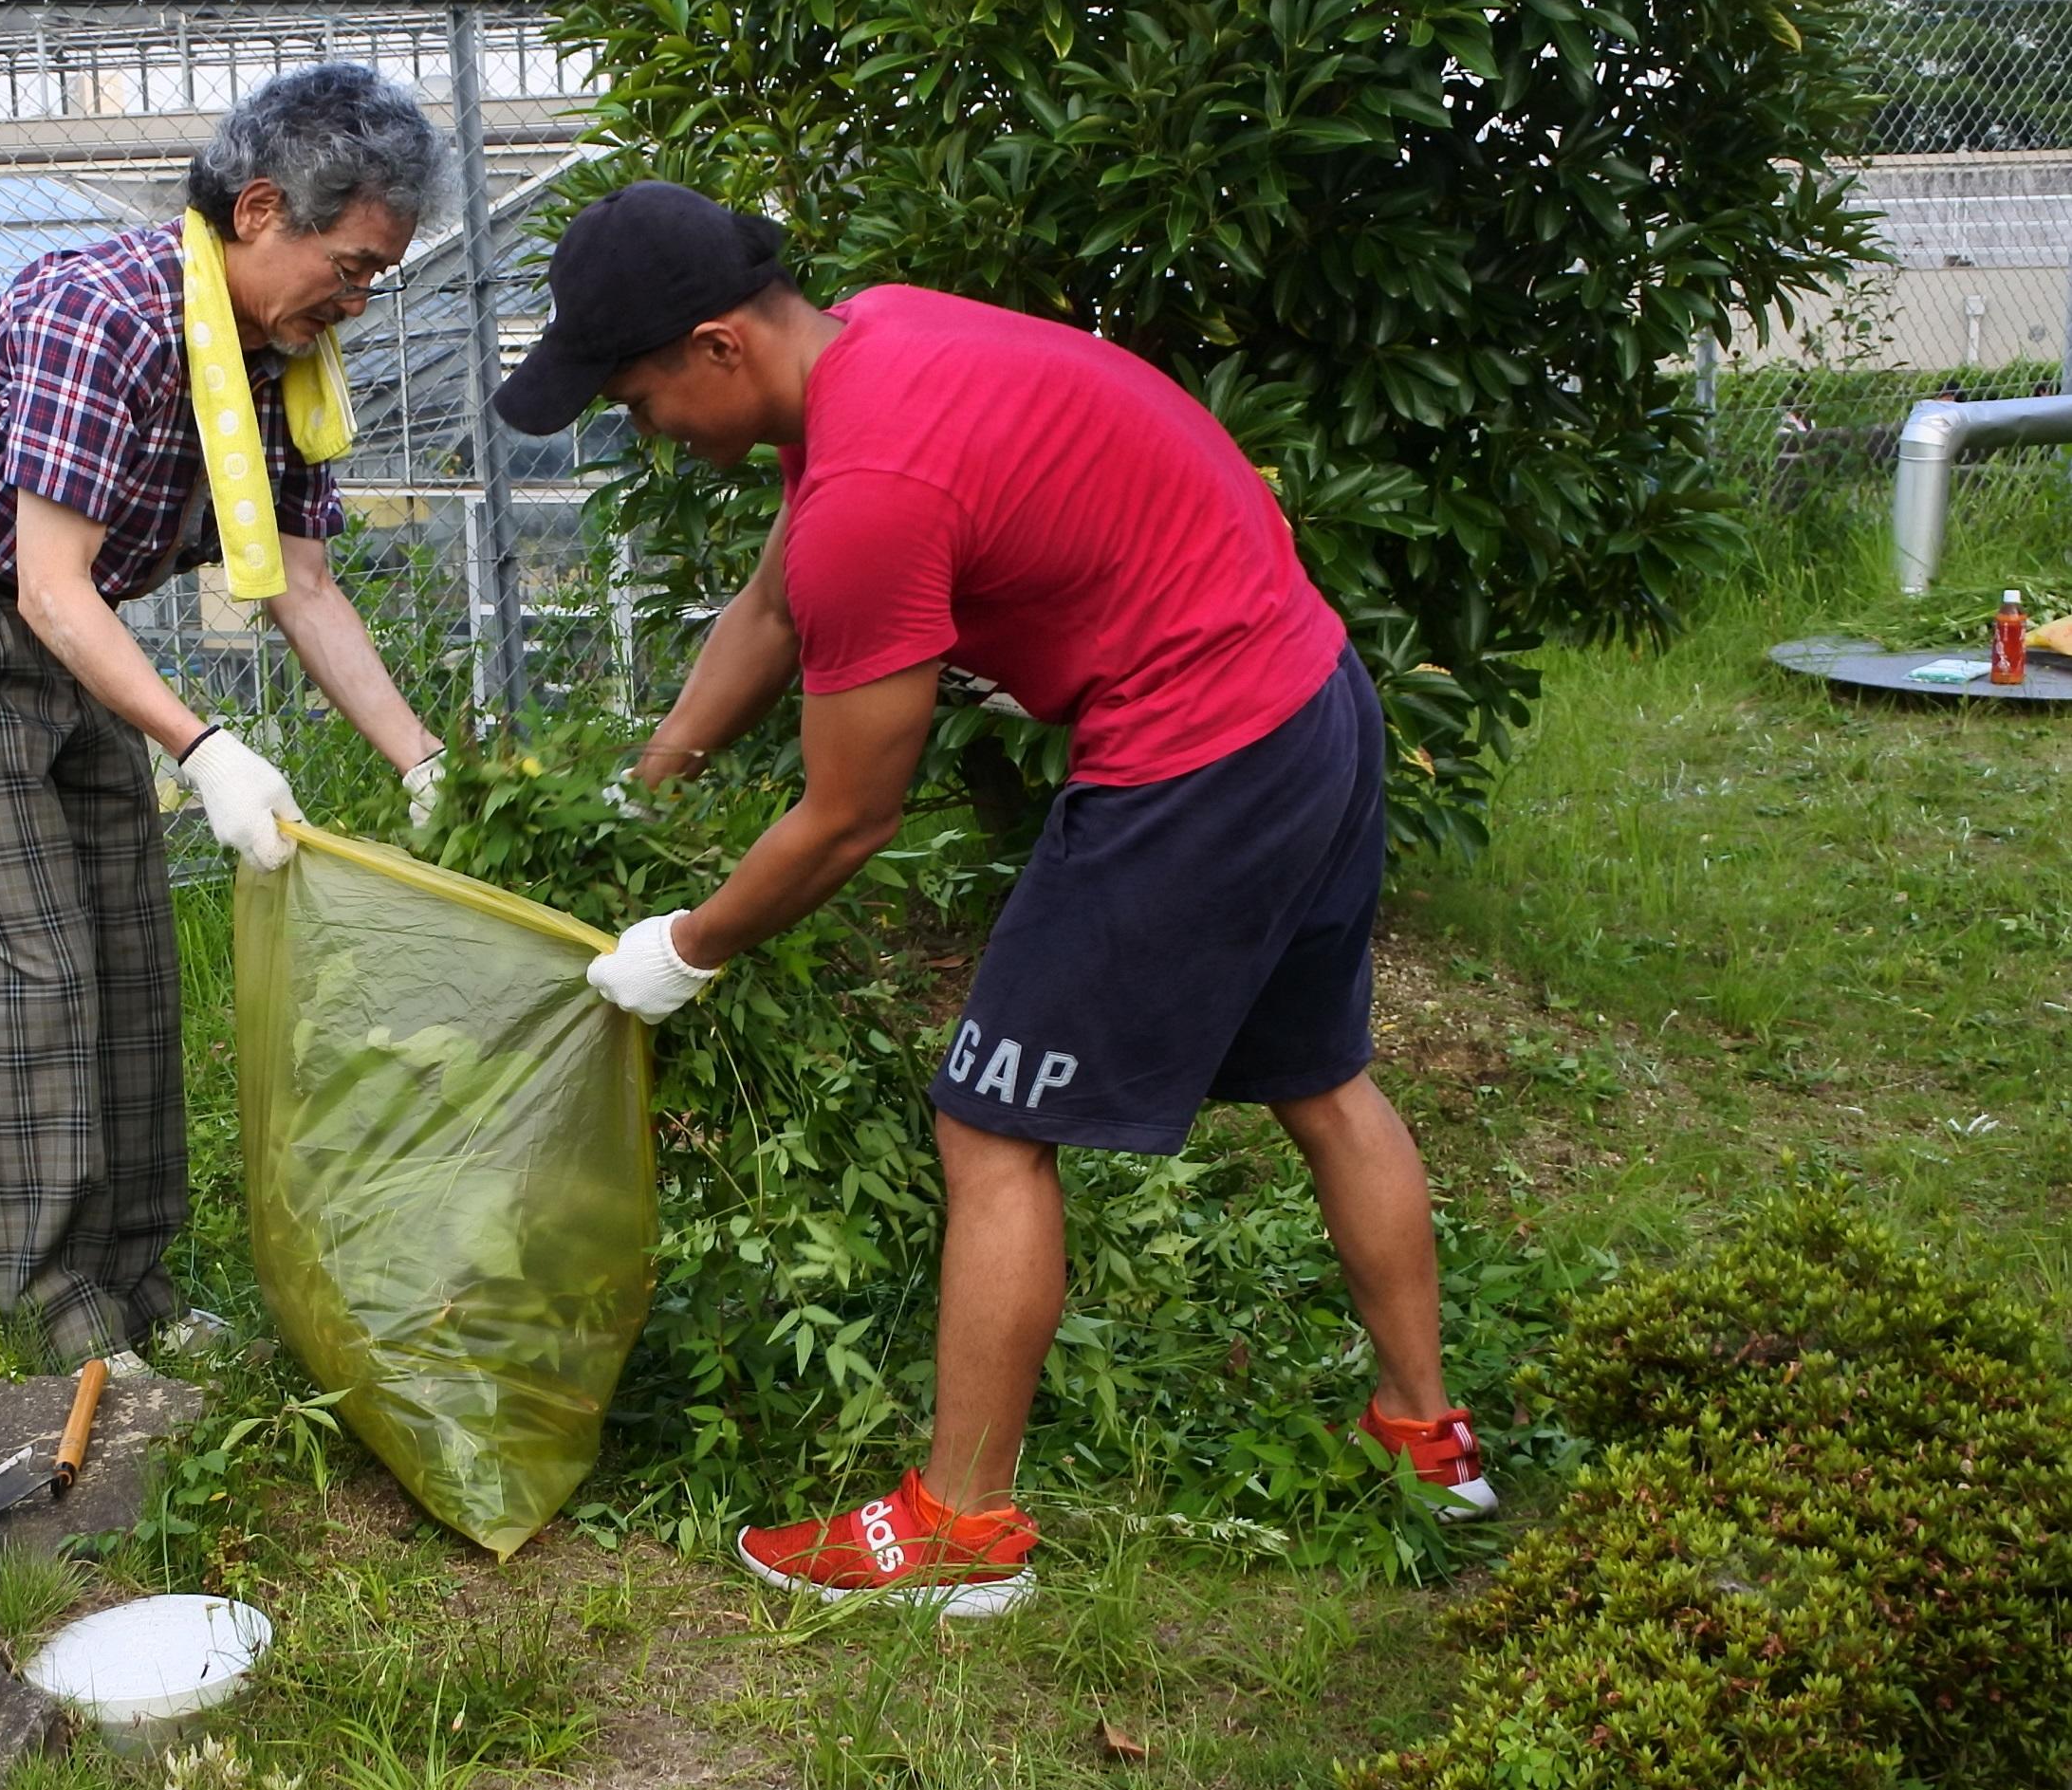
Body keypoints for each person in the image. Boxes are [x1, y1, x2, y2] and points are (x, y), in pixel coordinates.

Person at [492, 181, 1495, 1617]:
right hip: (1308, 698)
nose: (651, 433)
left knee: (991, 1122)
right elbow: (774, 609)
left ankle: (959, 1532)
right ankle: (1427, 1437)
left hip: (1196, 754)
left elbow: (847, 818)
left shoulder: (872, 492)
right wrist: (653, 776)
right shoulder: (877, 344)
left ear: (717, 346)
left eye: (642, 399)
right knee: (1323, 1076)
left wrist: (688, 946)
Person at [0, 63, 448, 1378]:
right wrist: (204, 744)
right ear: (258, 211)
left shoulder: (277, 358)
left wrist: (422, 758)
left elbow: (303, 580)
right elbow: (47, 583)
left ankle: (144, 1286)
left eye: (373, 281)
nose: (351, 302)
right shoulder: (106, 313)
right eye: (346, 268)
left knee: (130, 964)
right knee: (38, 972)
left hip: (81, 645)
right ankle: (63, 1310)